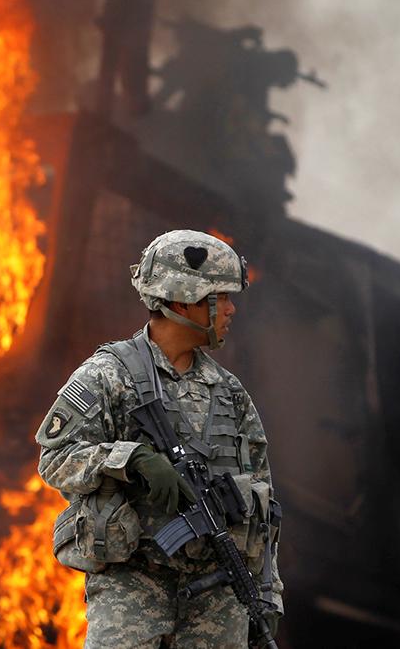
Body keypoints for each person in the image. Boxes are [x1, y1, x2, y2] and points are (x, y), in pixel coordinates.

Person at [36, 230, 283, 648]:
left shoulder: (229, 393)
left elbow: (263, 504)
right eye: (220, 297)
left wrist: (267, 595)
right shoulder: (109, 375)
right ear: (184, 299)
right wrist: (129, 460)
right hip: (133, 589)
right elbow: (55, 458)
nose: (231, 309)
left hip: (218, 594)